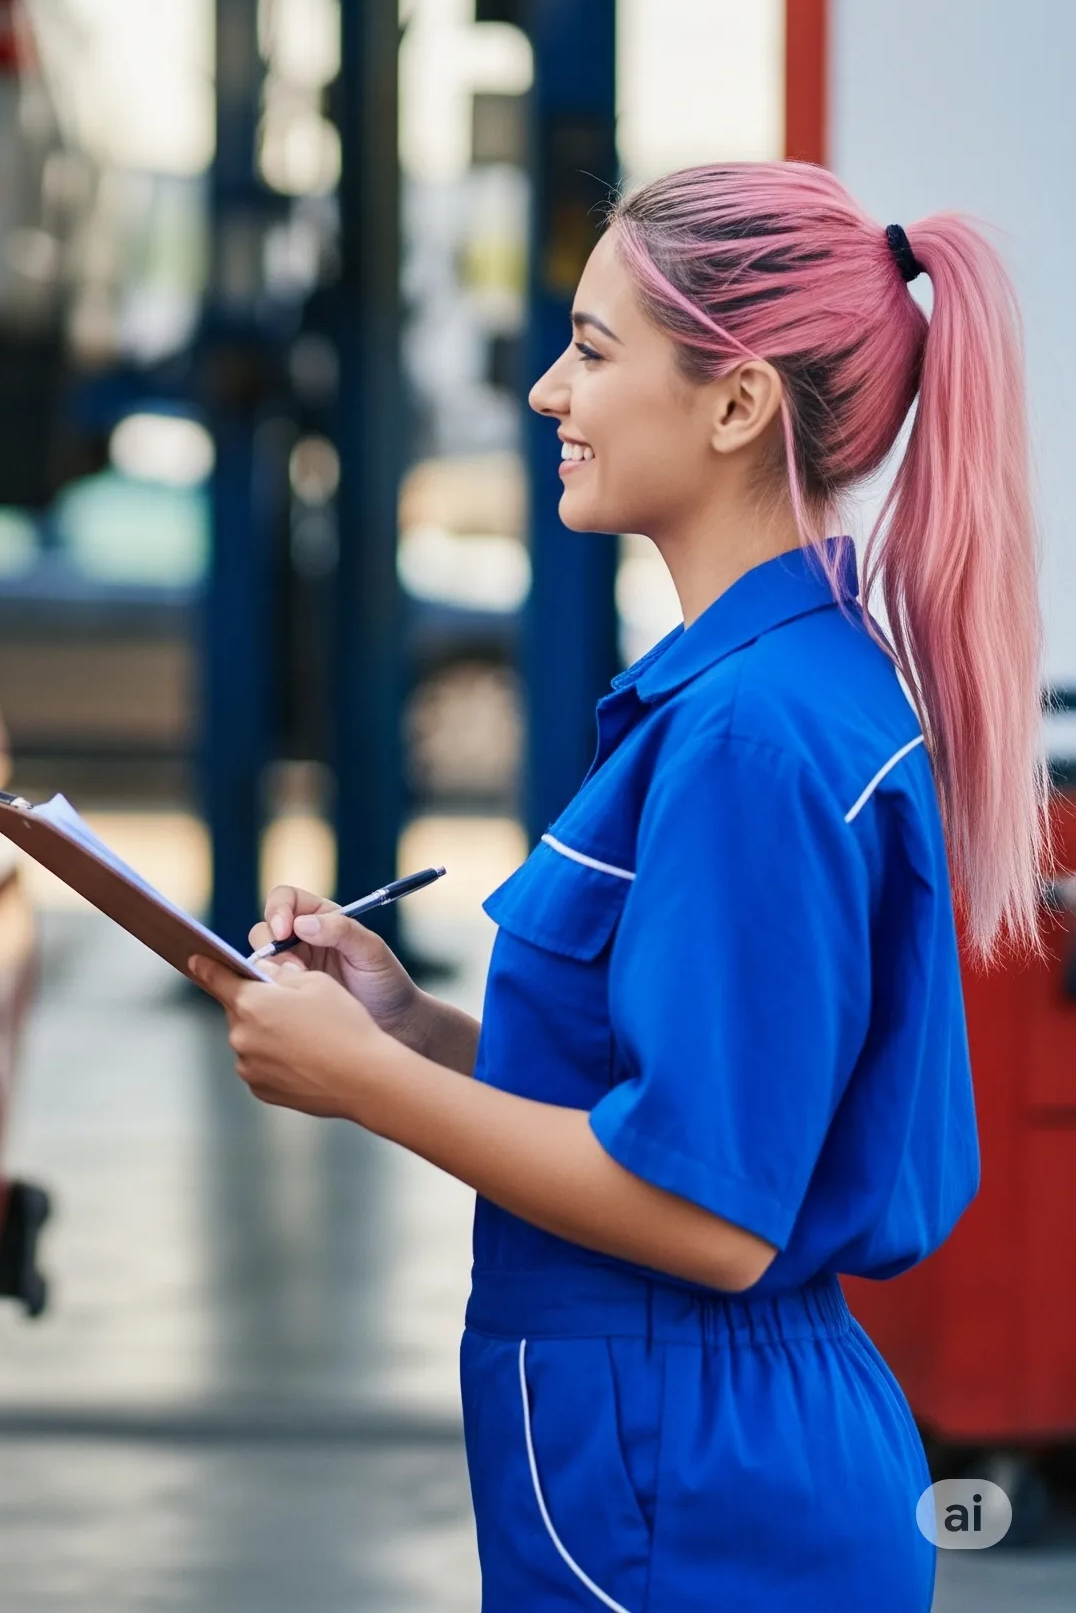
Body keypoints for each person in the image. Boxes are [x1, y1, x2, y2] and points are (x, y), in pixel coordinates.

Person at [190, 163, 1037, 1609]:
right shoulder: (764, 695)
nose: (543, 395)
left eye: (591, 351)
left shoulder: (752, 738)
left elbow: (712, 1215)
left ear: (735, 405)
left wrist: (363, 1085)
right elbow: (676, 1096)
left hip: (686, 1477)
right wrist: (404, 1028)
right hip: (695, 1455)